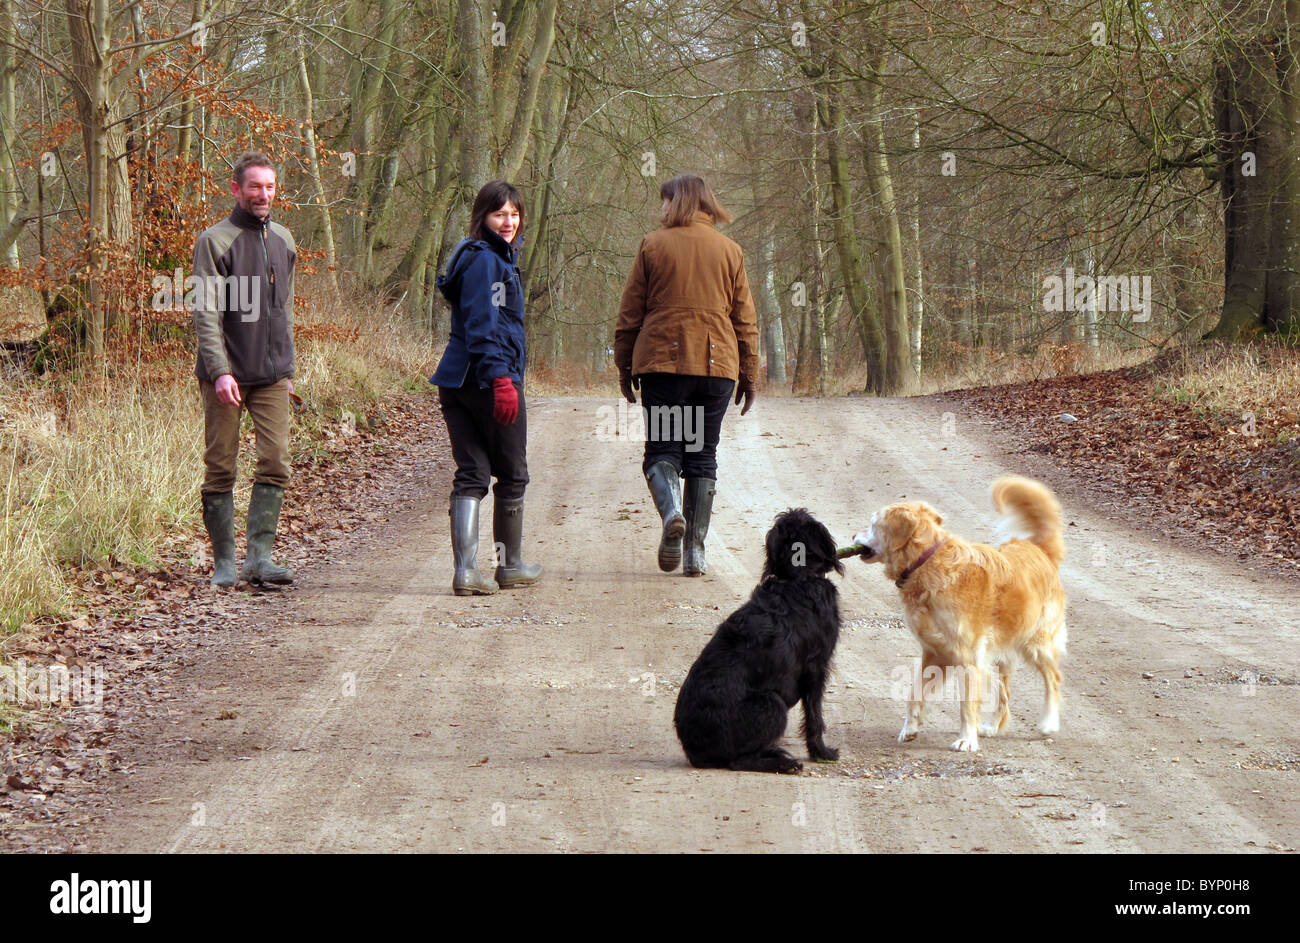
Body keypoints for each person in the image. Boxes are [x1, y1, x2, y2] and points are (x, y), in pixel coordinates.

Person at [615, 174, 759, 577]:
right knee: (702, 455)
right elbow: (745, 320)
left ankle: (672, 513)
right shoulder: (731, 251)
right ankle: (695, 551)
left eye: (664, 202)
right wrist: (749, 374)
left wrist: (624, 366)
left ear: (677, 203)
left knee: (663, 451)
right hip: (715, 371)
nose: (660, 210)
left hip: (665, 367)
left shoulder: (652, 245)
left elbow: (630, 313)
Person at [430, 181, 541, 596]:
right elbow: (485, 325)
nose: (508, 221)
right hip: (486, 381)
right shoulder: (488, 264)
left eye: (514, 214)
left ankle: (467, 572)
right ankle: (508, 565)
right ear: (483, 217)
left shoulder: (475, 256)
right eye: (500, 214)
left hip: (456, 382)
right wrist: (501, 380)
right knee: (512, 474)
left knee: (473, 473)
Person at [192, 151, 297, 589]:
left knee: (275, 462)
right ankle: (225, 564)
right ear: (236, 189)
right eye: (254, 186)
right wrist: (219, 371)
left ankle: (259, 558)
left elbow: (284, 311)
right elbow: (205, 312)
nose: (263, 195)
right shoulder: (214, 240)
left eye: (269, 186)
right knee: (221, 466)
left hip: (273, 376)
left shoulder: (286, 241)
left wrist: (288, 371)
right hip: (228, 376)